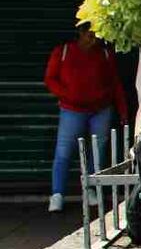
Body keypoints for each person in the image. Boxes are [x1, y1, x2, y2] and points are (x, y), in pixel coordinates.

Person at [43, 22, 129, 212]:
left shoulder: (104, 54)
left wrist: (122, 110)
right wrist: (67, 95)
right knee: (64, 151)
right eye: (90, 35)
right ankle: (57, 194)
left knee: (97, 151)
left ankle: (90, 189)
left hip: (101, 110)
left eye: (96, 36)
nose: (93, 40)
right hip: (72, 110)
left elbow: (114, 83)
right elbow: (50, 78)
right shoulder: (63, 52)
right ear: (81, 33)